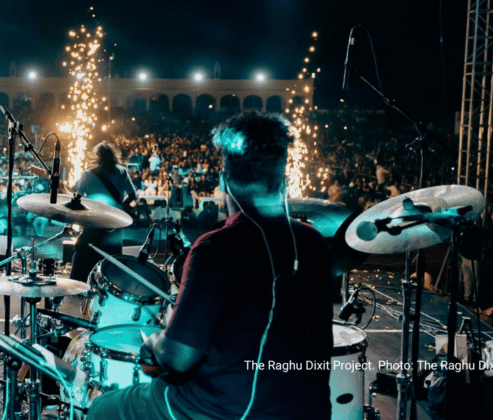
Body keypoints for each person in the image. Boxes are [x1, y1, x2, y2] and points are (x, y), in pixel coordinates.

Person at [87, 112, 335, 420]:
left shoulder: (216, 247)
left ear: (224, 181)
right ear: (283, 180)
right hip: (307, 410)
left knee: (103, 408)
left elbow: (179, 358)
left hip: (224, 412)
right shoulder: (313, 243)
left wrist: (154, 342)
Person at [69, 141, 137, 283]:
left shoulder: (88, 174)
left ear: (97, 157)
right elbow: (132, 195)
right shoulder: (122, 171)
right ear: (113, 156)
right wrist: (119, 208)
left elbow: (76, 194)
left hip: (94, 221)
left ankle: (78, 285)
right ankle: (112, 288)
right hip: (114, 222)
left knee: (82, 250)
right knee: (113, 258)